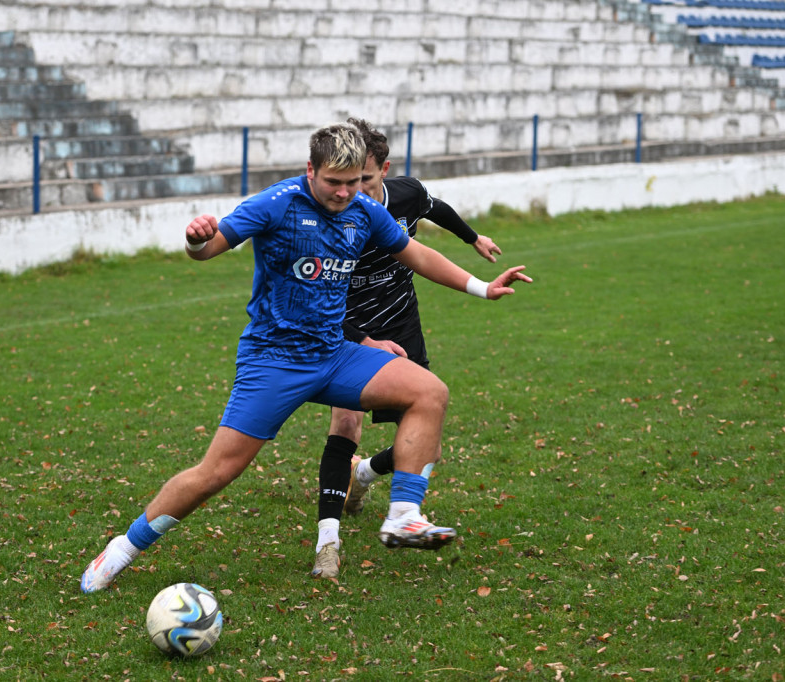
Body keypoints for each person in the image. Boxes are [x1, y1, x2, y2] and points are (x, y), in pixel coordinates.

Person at [80, 122, 531, 593]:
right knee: (216, 473)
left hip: (335, 354)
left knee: (429, 392)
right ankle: (120, 550)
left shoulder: (363, 211)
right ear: (310, 170)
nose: (343, 193)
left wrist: (483, 287)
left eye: (353, 182)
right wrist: (197, 238)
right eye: (333, 182)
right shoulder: (276, 204)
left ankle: (403, 516)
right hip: (273, 361)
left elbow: (417, 255)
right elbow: (209, 249)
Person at [310, 118, 502, 579]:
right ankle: (327, 544)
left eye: (365, 180)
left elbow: (436, 210)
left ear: (382, 171)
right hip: (348, 321)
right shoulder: (331, 216)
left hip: (401, 320)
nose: (354, 190)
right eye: (347, 180)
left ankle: (364, 477)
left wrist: (472, 238)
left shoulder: (406, 195)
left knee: (424, 440)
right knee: (346, 423)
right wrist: (363, 339)